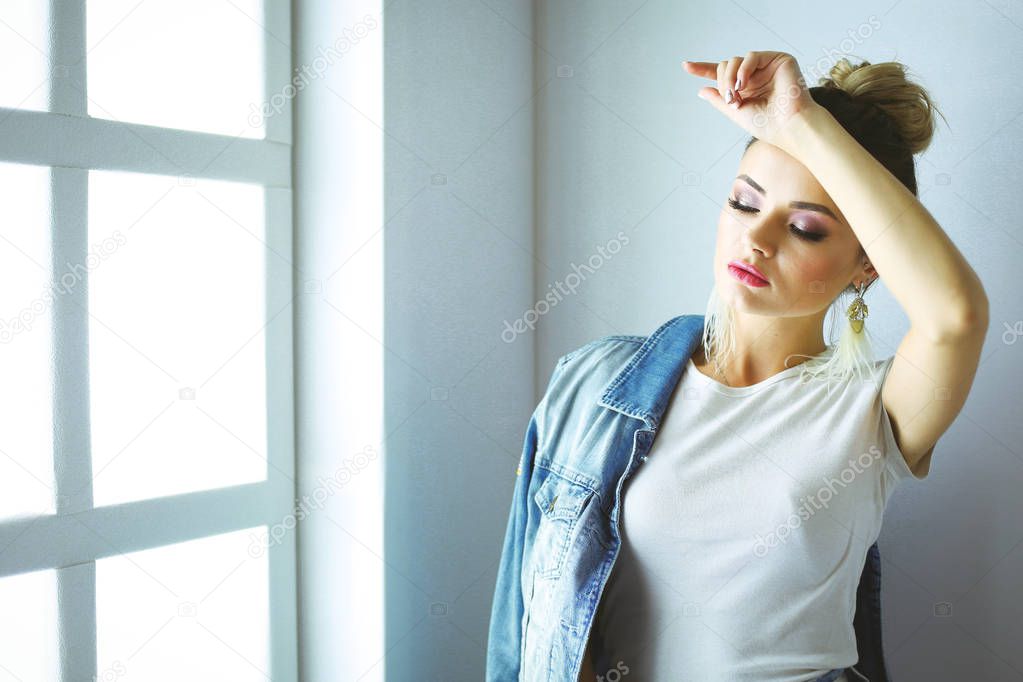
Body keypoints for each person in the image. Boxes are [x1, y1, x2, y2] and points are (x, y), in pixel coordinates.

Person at [486, 51, 988, 682]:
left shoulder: (875, 410)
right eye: (745, 203)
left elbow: (955, 316)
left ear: (866, 266)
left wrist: (802, 120)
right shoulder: (593, 383)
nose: (758, 238)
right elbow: (520, 628)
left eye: (806, 228)